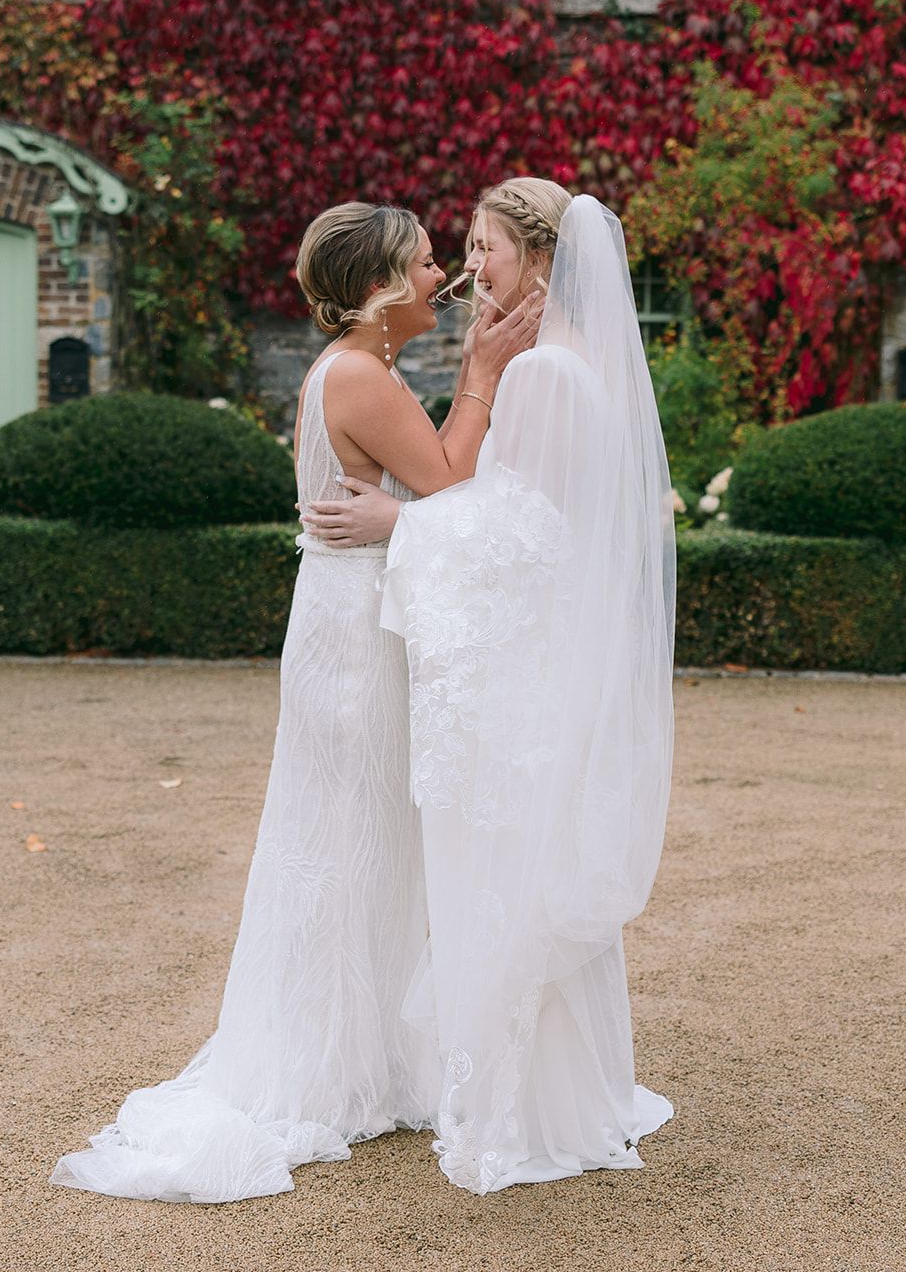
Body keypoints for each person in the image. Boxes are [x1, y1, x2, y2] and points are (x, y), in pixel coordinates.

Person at [50, 202, 541, 1203]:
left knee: (350, 844)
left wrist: (411, 483)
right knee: (352, 844)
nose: (441, 270)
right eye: (422, 262)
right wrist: (484, 375)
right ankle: (327, 1068)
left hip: (341, 621)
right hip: (356, 640)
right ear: (377, 292)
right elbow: (448, 481)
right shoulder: (360, 374)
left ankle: (358, 1056)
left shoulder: (353, 370)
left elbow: (415, 488)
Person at [306, 179, 677, 1194]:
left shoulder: (545, 375)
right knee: (521, 870)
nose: (469, 268)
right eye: (460, 248)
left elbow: (528, 538)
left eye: (484, 248)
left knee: (505, 876)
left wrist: (400, 526)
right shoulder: (559, 365)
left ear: (541, 264)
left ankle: (524, 1111)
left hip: (517, 673)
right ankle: (554, 1092)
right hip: (526, 663)